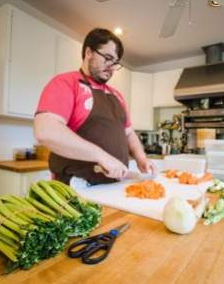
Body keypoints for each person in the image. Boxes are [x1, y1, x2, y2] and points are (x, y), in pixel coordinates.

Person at [34, 28, 156, 185]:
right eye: (107, 58)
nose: (112, 67)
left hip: (114, 187)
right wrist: (103, 157)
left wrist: (142, 158)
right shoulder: (66, 83)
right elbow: (46, 131)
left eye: (115, 63)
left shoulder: (117, 96)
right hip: (75, 189)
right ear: (88, 52)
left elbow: (129, 133)